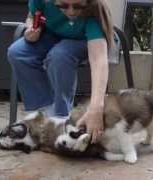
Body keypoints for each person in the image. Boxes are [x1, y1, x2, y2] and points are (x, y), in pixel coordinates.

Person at [7, 0, 114, 143]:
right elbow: (32, 16)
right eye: (62, 6)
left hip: (83, 39)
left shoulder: (93, 8)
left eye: (78, 6)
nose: (70, 12)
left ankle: (62, 116)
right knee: (17, 52)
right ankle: (44, 114)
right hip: (52, 35)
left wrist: (96, 108)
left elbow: (98, 59)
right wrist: (31, 28)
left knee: (60, 55)